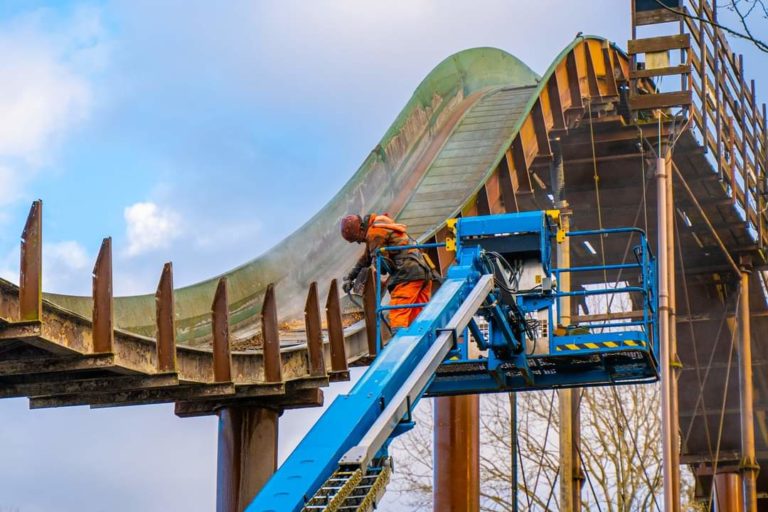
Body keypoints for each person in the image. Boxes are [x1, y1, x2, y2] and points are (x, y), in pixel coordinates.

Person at [340, 212, 436, 330]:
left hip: (407, 278)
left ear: (360, 228)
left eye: (357, 239)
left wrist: (369, 279)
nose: (359, 242)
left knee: (397, 320)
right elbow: (366, 258)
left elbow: (382, 267)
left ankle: (400, 348)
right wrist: (350, 276)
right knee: (417, 323)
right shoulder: (379, 225)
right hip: (422, 273)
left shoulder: (374, 233)